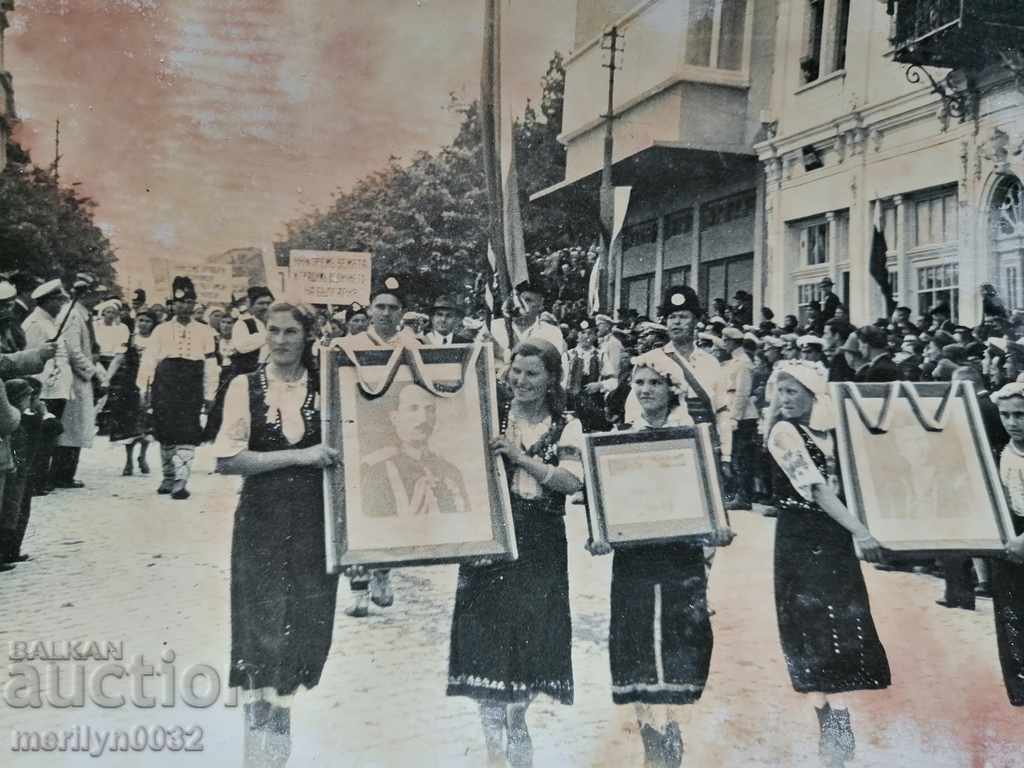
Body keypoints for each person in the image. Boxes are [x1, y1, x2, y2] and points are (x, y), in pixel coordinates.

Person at [589, 349, 733, 767]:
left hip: (679, 554)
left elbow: (709, 501)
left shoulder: (691, 437)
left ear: (672, 389)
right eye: (639, 383)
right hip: (634, 555)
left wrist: (713, 535)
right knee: (633, 636)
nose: (646, 390)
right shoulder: (621, 437)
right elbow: (610, 501)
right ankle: (650, 736)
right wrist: (601, 535)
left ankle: (671, 725)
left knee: (679, 638)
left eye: (655, 383)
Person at [213, 302, 340, 767]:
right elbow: (228, 460)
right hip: (261, 522)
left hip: (313, 523)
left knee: (303, 630)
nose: (281, 340)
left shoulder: (328, 386)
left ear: (308, 336)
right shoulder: (244, 387)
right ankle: (257, 756)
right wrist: (301, 456)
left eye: (291, 332)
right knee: (260, 632)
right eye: (274, 330)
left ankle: (277, 745)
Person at [447, 339, 584, 768]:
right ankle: (493, 747)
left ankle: (517, 720)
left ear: (551, 380)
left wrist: (520, 458)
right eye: (516, 372)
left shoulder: (567, 425)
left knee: (529, 642)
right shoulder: (489, 417)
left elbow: (571, 481)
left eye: (532, 374)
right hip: (490, 544)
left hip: (540, 545)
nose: (521, 381)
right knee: (485, 644)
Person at [765, 360, 890, 766]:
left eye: (793, 392)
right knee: (815, 628)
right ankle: (835, 731)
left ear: (813, 395)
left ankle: (834, 730)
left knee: (836, 626)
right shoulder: (783, 432)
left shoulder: (830, 432)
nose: (785, 399)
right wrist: (862, 531)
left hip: (830, 537)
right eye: (781, 391)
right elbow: (816, 490)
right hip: (802, 538)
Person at [138, 277, 218, 500]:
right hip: (165, 383)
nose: (184, 307)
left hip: (191, 384)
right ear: (173, 304)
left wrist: (210, 393)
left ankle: (181, 480)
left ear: (195, 304)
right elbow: (149, 360)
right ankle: (169, 476)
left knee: (188, 430)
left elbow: (211, 364)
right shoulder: (161, 330)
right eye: (180, 302)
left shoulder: (205, 331)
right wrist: (143, 388)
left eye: (189, 302)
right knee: (165, 430)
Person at [359, 383, 470, 517]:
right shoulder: (379, 474)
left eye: (430, 409)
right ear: (395, 418)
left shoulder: (451, 471)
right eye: (413, 409)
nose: (423, 418)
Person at [53, 274, 103, 489]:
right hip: (74, 378)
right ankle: (62, 474)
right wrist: (92, 372)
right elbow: (73, 350)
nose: (98, 299)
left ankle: (65, 473)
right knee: (71, 426)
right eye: (95, 294)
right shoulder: (72, 315)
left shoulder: (80, 314)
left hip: (78, 377)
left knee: (76, 425)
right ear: (85, 294)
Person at [22, 280, 71, 495]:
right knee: (40, 436)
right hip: (43, 389)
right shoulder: (35, 324)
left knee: (49, 436)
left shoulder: (50, 322)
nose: (60, 305)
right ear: (47, 301)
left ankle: (41, 479)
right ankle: (35, 481)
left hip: (56, 387)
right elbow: (29, 359)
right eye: (58, 301)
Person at [487, 281, 566, 367]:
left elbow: (544, 367)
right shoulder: (493, 327)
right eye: (517, 300)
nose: (518, 305)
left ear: (540, 304)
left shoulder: (551, 333)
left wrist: (500, 352)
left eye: (528, 300)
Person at [94, 299, 129, 438]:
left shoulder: (122, 328)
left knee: (112, 393)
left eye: (113, 312)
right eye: (108, 312)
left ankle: (108, 425)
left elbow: (120, 352)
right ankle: (95, 420)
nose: (110, 315)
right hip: (97, 362)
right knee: (97, 391)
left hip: (114, 362)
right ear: (103, 312)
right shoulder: (95, 326)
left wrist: (108, 376)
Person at [231, 287, 275, 376]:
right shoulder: (243, 324)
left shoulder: (277, 324)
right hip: (250, 373)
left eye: (269, 303)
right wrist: (270, 335)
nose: (265, 307)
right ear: (251, 305)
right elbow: (242, 347)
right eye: (261, 303)